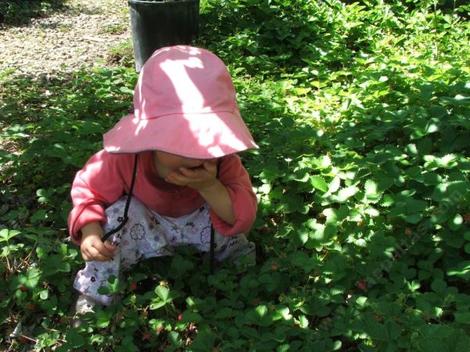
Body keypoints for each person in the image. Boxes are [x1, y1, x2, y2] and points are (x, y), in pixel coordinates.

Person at [68, 45, 258, 314]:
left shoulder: (224, 161)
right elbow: (89, 189)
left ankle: (240, 279)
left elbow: (244, 216)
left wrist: (209, 186)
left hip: (201, 226)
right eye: (179, 142)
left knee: (229, 219)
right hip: (146, 225)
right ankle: (98, 294)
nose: (197, 155)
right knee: (117, 216)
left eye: (207, 142)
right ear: (150, 138)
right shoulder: (126, 158)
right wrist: (90, 230)